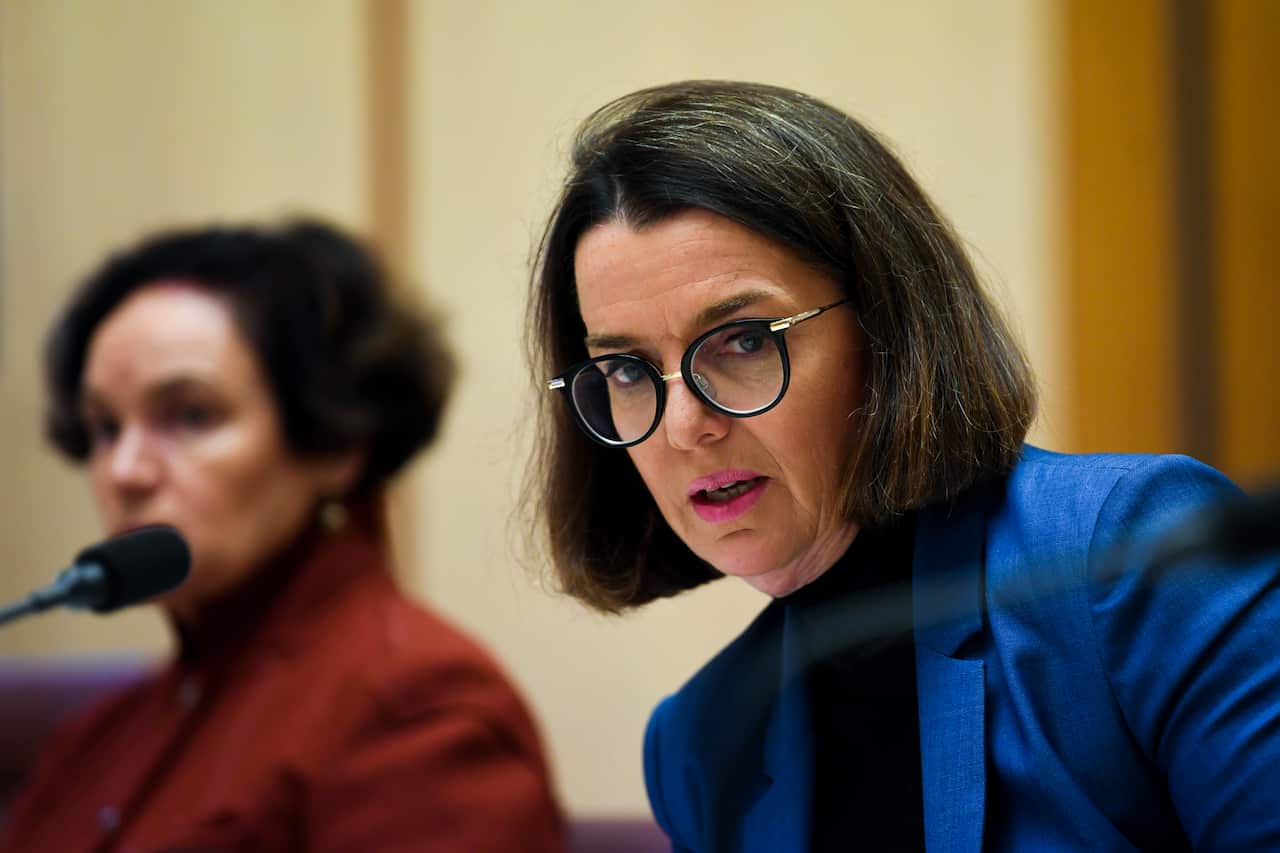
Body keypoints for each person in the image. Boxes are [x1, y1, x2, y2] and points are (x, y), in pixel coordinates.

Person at [525, 80, 1280, 851]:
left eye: (745, 341)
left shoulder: (1134, 559)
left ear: (887, 328)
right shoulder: (706, 741)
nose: (685, 426)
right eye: (626, 370)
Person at [1, 220, 565, 852]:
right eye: (104, 428)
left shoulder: (413, 709)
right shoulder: (96, 736)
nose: (125, 471)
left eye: (190, 415)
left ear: (334, 439)